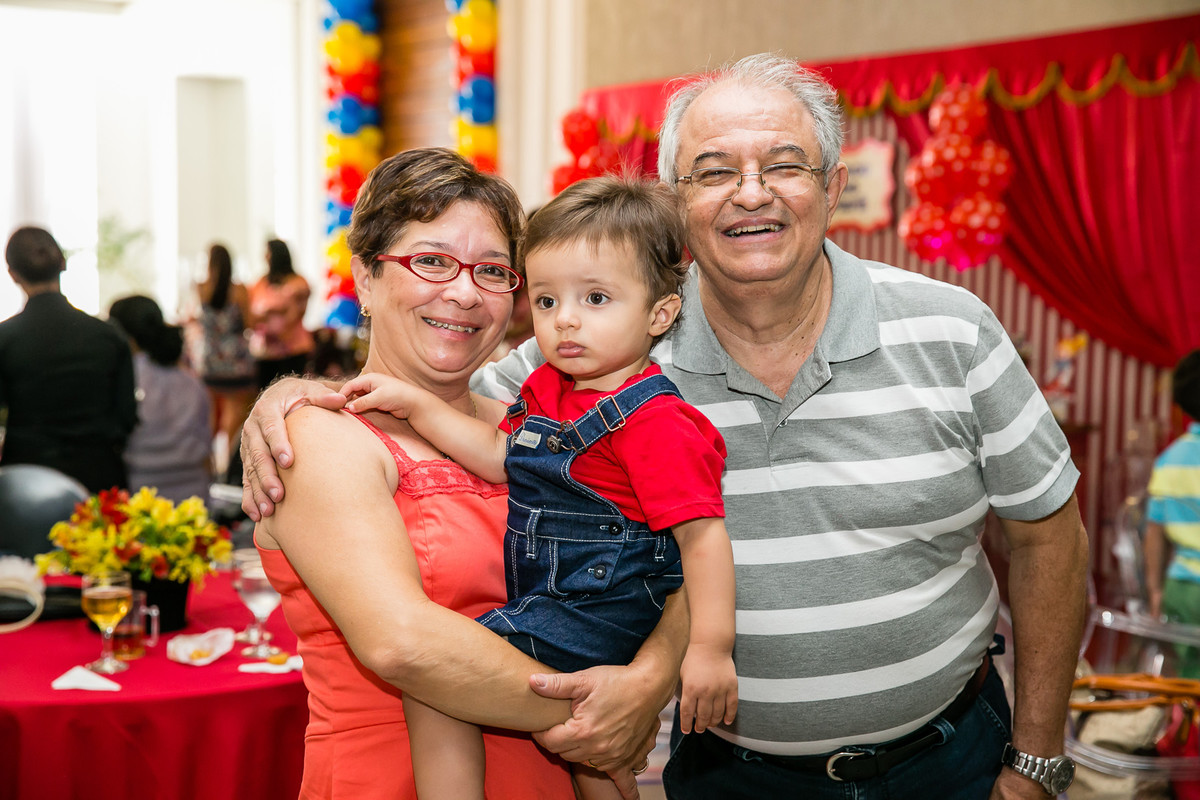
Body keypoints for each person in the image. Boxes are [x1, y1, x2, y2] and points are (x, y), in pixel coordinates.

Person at [242, 55, 1089, 800]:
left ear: (832, 187)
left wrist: (1039, 761)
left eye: (785, 164)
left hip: (948, 758)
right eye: (712, 171)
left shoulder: (950, 327)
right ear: (676, 207)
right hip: (729, 774)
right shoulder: (579, 356)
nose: (750, 192)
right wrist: (287, 395)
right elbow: (415, 386)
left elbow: (1051, 542)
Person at [250, 147, 686, 800]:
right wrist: (595, 716)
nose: (463, 291)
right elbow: (401, 642)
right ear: (366, 279)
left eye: (491, 271)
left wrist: (648, 680)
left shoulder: (536, 422)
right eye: (430, 260)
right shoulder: (320, 436)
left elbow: (666, 557)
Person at [339, 176, 736, 800]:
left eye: (596, 298)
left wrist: (710, 651)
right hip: (570, 596)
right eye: (547, 302)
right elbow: (505, 457)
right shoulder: (549, 390)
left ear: (660, 312)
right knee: (593, 755)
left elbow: (704, 539)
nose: (565, 321)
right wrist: (417, 406)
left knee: (440, 685)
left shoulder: (657, 421)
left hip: (601, 604)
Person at [0, 226, 137, 493]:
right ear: (62, 263)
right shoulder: (109, 336)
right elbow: (125, 418)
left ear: (13, 275)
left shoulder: (5, 340)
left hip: (27, 481)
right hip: (98, 477)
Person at [109, 294, 212, 504]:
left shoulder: (123, 379)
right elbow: (206, 448)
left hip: (142, 497)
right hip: (195, 497)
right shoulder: (192, 382)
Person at [1144, 349, 1200, 676]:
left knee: (1188, 676)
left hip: (1181, 587)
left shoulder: (1169, 460)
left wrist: (1155, 591)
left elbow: (1154, 535)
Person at [186, 243, 256, 482]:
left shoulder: (201, 288)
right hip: (237, 362)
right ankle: (229, 471)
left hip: (210, 362)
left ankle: (209, 469)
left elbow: (198, 319)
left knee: (209, 418)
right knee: (234, 422)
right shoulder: (240, 290)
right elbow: (249, 324)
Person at [248, 238, 314, 390]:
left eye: (268, 253)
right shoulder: (261, 282)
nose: (265, 257)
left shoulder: (298, 282)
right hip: (266, 351)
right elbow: (251, 312)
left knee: (292, 392)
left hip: (293, 348)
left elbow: (297, 312)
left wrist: (278, 319)